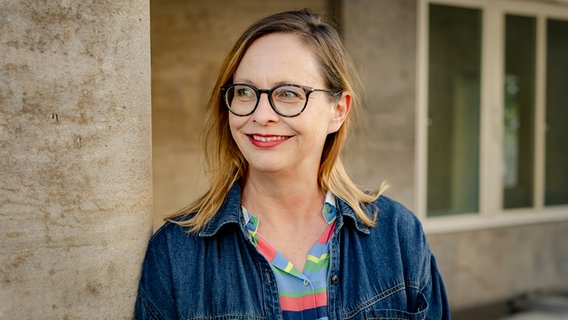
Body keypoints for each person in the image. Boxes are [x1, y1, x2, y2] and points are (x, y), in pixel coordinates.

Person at [135, 9, 450, 320]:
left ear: (338, 110)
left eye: (288, 93)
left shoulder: (397, 235)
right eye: (245, 92)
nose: (260, 116)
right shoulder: (175, 254)